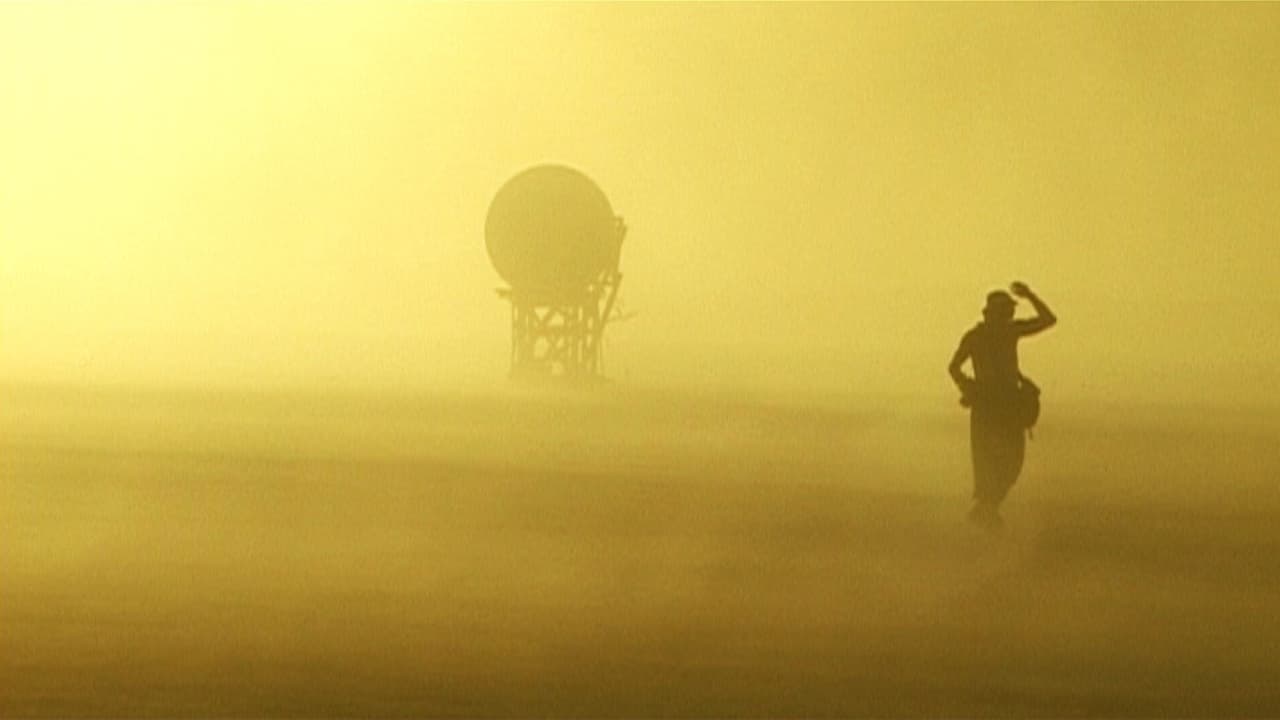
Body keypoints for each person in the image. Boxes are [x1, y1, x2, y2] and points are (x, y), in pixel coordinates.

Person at [948, 281, 1056, 529]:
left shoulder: (1005, 332)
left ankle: (985, 514)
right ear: (994, 313)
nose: (1010, 316)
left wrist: (1030, 294)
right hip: (992, 406)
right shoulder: (982, 336)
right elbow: (954, 368)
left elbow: (1048, 320)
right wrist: (971, 388)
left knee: (1009, 463)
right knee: (993, 463)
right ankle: (985, 515)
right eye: (1007, 311)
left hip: (1004, 405)